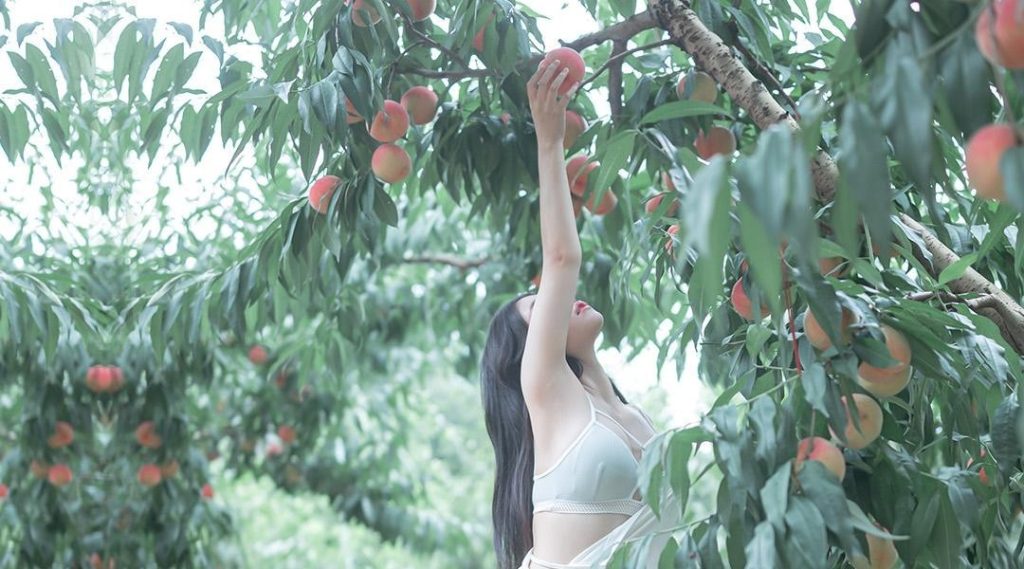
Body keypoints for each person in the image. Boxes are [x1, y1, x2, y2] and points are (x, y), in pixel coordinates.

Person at [479, 59, 680, 569]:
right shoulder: (549, 395)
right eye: (541, 306)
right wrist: (549, 142)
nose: (563, 299)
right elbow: (563, 258)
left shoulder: (636, 417)